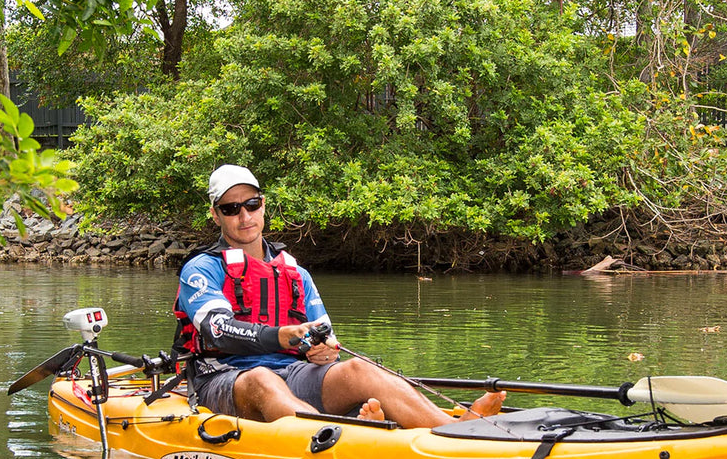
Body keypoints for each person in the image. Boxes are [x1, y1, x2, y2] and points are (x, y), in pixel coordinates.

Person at [173, 164, 504, 427]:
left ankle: (453, 429)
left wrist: (323, 351)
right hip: (222, 379)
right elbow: (217, 329)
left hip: (292, 374)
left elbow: (325, 336)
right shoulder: (201, 269)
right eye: (231, 208)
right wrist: (282, 336)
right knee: (261, 378)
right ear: (216, 214)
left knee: (359, 368)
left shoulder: (294, 272)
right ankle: (345, 436)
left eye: (251, 204)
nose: (245, 216)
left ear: (263, 206)